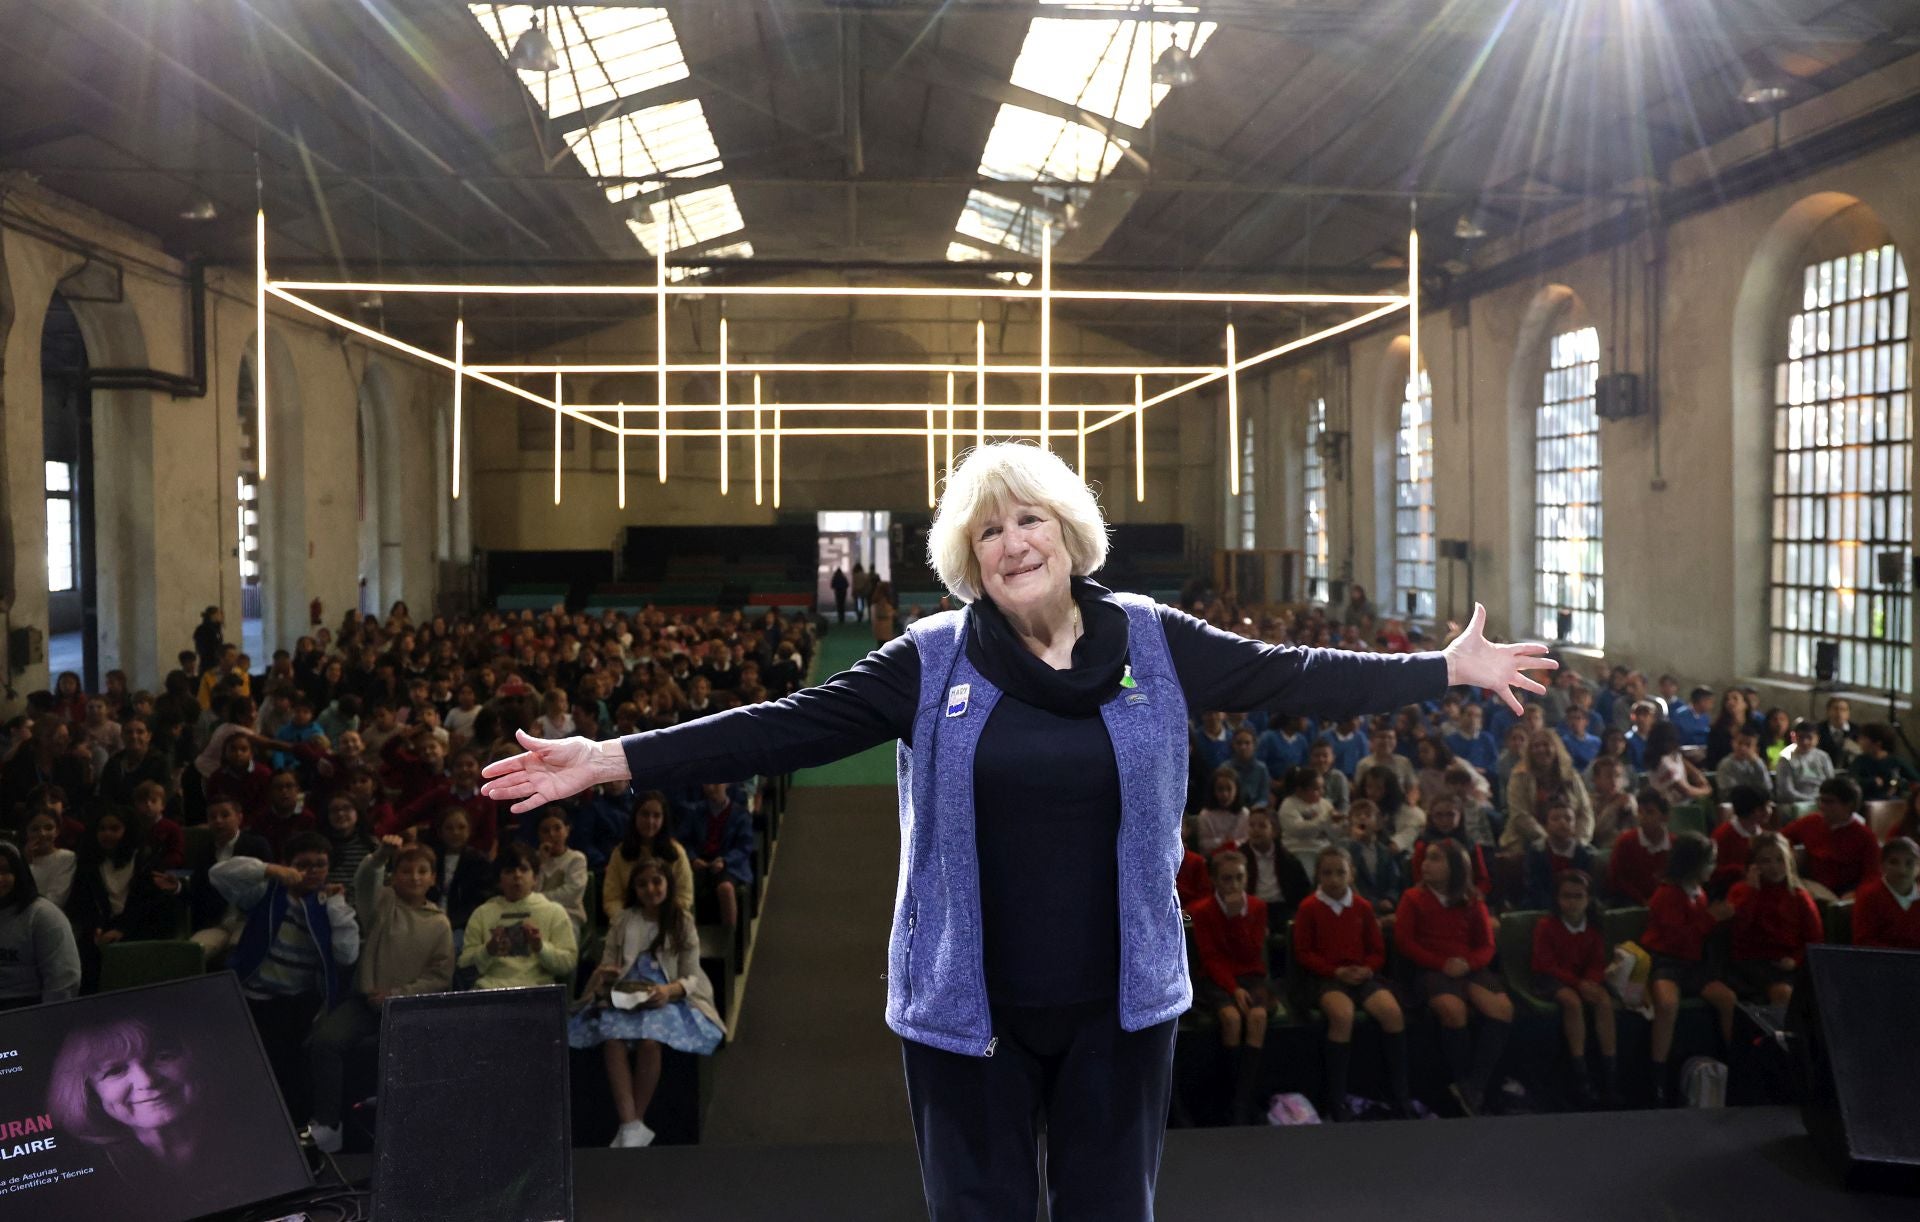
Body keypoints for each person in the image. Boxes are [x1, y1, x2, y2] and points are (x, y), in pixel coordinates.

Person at [480, 441, 1554, 1220]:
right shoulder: (930, 658)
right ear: (967, 554)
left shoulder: (1153, 640)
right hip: (968, 1019)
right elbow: (783, 729)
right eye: (988, 529)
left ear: (1070, 531)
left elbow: (1296, 677)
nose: (1011, 542)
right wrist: (611, 756)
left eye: (1028, 518)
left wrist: (1444, 667)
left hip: (1119, 1012)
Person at [305, 839, 454, 1153]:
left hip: (408, 1009)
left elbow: (440, 976)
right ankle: (328, 1125)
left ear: (432, 878)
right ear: (394, 876)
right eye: (405, 870)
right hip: (363, 1003)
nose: (414, 877)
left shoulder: (439, 923)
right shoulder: (383, 903)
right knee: (325, 1041)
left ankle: (413, 1134)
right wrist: (382, 855)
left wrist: (398, 995)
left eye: (422, 871)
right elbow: (365, 879)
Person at [572, 855, 727, 1148]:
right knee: (612, 1039)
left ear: (668, 883)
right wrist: (608, 974)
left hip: (666, 995)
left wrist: (668, 991)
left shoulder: (682, 921)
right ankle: (631, 1123)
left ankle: (635, 1122)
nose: (650, 889)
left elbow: (692, 976)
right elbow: (608, 963)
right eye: (642, 884)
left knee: (649, 1041)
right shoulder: (623, 920)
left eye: (656, 882)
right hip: (627, 993)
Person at [211, 833, 361, 1118]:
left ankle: (295, 1128)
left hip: (300, 1001)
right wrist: (270, 870)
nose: (313, 870)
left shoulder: (327, 904)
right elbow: (218, 875)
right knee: (251, 1065)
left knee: (292, 1070)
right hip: (254, 994)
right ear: (288, 865)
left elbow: (347, 955)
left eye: (320, 864)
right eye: (303, 864)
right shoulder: (267, 892)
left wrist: (337, 908)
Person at [1395, 837, 1513, 1116]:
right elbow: (1405, 943)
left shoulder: (1472, 900)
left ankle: (1474, 1085)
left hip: (1468, 967)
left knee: (1503, 1009)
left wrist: (1467, 964)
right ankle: (1461, 1079)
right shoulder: (1412, 898)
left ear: (1456, 867)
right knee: (1453, 1010)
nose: (1426, 864)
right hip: (1432, 969)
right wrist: (1441, 963)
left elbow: (1486, 945)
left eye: (1436, 859)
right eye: (1426, 858)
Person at [1291, 847, 1410, 1120]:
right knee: (1342, 1015)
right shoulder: (1309, 907)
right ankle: (1336, 1099)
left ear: (1351, 873)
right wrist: (1336, 972)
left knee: (1392, 1013)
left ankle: (1399, 1095)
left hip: (1361, 976)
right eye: (1327, 873)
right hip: (1326, 979)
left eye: (1340, 872)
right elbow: (1304, 953)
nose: (1334, 879)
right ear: (1318, 875)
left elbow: (1377, 950)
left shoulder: (1363, 907)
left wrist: (1367, 969)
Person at [1642, 832, 1737, 1105]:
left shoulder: (1700, 893)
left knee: (1727, 999)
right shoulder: (1667, 894)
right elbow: (1676, 939)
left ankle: (1735, 1063)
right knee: (1668, 1004)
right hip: (1666, 961)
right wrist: (1710, 919)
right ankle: (1656, 1077)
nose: (1713, 868)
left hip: (1693, 964)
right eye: (1709, 863)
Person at [1186, 850, 1273, 1124]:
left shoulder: (1258, 907)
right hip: (1217, 979)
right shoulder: (1202, 911)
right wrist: (1232, 988)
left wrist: (1237, 920)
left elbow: (1251, 953)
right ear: (1214, 880)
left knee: (1258, 1017)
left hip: (1250, 976)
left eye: (1239, 878)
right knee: (1231, 1018)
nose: (1234, 885)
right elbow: (1210, 958)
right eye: (1226, 879)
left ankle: (1242, 1101)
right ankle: (1230, 1097)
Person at [1529, 869, 1617, 1107]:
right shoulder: (1547, 925)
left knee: (1604, 1001)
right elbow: (1544, 964)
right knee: (1571, 1002)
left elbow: (1597, 962)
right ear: (1557, 899)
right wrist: (1579, 984)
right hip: (1550, 980)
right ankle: (1581, 1075)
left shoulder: (1593, 928)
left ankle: (1610, 1073)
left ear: (1588, 899)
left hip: (1582, 980)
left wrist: (1590, 982)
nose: (1572, 902)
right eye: (1567, 896)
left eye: (1579, 896)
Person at [459, 843, 578, 990]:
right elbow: (464, 966)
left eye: (524, 869)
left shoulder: (554, 911)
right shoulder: (482, 913)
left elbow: (568, 963)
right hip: (490, 990)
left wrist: (540, 948)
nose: (517, 875)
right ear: (499, 880)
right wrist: (488, 950)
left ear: (535, 878)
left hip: (538, 990)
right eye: (509, 871)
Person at [1725, 832, 1822, 1008]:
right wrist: (1751, 892)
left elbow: (1814, 939)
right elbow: (1738, 930)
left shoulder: (1799, 896)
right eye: (1766, 861)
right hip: (1752, 962)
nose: (1774, 867)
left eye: (1779, 860)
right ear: (1754, 864)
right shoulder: (1741, 891)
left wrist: (1795, 960)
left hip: (1788, 962)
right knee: (1781, 993)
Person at [0, 840, 81, 1009]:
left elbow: (63, 980)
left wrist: (47, 1023)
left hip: (25, 1008)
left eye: (6, 871)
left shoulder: (43, 916)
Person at [1782, 775, 1881, 901]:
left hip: (1845, 894)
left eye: (1829, 802)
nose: (1822, 806)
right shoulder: (1811, 822)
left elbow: (1873, 875)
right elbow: (1778, 838)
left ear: (1849, 805)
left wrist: (1856, 893)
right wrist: (1788, 854)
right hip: (1811, 887)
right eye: (1821, 800)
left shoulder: (1865, 836)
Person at [604, 789, 695, 923]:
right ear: (635, 816)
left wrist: (658, 917)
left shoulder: (676, 853)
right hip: (628, 923)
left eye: (656, 816)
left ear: (664, 820)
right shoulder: (619, 853)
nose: (650, 821)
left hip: (667, 922)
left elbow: (684, 896)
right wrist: (629, 921)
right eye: (645, 814)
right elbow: (612, 899)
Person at [677, 782, 752, 933]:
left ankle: (729, 938)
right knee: (681, 887)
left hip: (729, 864)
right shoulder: (695, 811)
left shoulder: (740, 814)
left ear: (727, 784)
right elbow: (684, 841)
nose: (711, 788)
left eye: (716, 783)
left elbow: (744, 847)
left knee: (725, 888)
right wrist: (693, 858)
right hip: (700, 862)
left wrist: (725, 861)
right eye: (707, 784)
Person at [1220, 807, 1311, 929]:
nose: (1255, 830)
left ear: (1274, 831)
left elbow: (1303, 890)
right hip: (1251, 906)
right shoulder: (1240, 857)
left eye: (1262, 826)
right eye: (1252, 825)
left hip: (1282, 906)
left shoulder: (1288, 859)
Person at [1523, 801, 1596, 910]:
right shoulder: (1537, 852)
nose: (1562, 823)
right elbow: (1534, 887)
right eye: (1555, 819)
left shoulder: (1585, 853)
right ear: (1545, 825)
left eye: (1568, 819)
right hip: (1544, 906)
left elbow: (1589, 886)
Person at [1607, 788, 1674, 906]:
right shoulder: (1625, 841)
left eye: (1650, 812)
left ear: (1665, 817)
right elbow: (1617, 880)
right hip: (1632, 902)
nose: (1643, 817)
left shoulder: (1675, 844)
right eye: (1640, 811)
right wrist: (1642, 901)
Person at [1852, 836, 1920, 949]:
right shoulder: (1869, 896)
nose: (1902, 870)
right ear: (1882, 866)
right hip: (1880, 963)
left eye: (1909, 863)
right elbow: (1863, 942)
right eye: (1894, 862)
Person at [1340, 800, 1402, 914]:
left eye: (1368, 815)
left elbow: (1395, 880)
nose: (1362, 818)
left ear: (1378, 824)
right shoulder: (1345, 851)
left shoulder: (1385, 852)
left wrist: (1390, 898)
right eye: (1357, 815)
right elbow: (1350, 880)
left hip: (1384, 906)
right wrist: (1356, 843)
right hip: (1356, 907)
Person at [534, 808, 589, 934]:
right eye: (545, 831)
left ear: (567, 830)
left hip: (568, 914)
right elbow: (530, 892)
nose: (552, 834)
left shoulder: (576, 859)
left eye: (557, 828)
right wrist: (541, 864)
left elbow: (571, 894)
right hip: (537, 913)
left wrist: (537, 899)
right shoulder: (534, 860)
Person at [1773, 720, 1835, 811]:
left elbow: (1831, 783)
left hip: (1823, 800)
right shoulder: (1786, 758)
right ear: (1794, 738)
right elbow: (1786, 791)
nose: (1805, 742)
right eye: (1801, 737)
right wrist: (1811, 800)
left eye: (1809, 738)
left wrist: (1823, 798)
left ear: (1817, 739)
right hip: (1796, 802)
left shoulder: (1823, 757)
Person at [1849, 724, 1919, 802]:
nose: (1859, 741)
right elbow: (1852, 781)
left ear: (1877, 743)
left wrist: (1898, 784)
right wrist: (1871, 782)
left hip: (1892, 802)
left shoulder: (1895, 761)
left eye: (1863, 738)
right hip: (1866, 802)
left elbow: (1915, 781)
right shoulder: (1860, 761)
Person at [23, 808, 77, 909]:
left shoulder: (66, 857)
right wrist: (26, 862)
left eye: (48, 828)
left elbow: (56, 900)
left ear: (57, 831)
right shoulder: (18, 859)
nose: (42, 833)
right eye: (35, 829)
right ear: (27, 832)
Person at [1191, 768, 1251, 856]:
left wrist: (1233, 843)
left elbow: (1247, 840)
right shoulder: (1205, 815)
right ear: (1214, 791)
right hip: (1213, 859)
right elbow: (1203, 844)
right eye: (1220, 789)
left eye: (1229, 789)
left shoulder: (1244, 813)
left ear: (1236, 790)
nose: (1225, 794)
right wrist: (1223, 842)